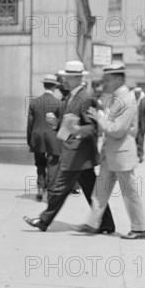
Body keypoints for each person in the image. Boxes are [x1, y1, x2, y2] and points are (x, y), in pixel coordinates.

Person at [24, 60, 115, 233]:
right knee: (90, 191)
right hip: (77, 153)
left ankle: (44, 221)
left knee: (60, 188)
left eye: (68, 77)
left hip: (78, 153)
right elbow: (67, 124)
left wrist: (77, 129)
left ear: (77, 78)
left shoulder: (85, 98)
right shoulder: (71, 97)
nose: (64, 80)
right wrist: (56, 123)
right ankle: (107, 224)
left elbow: (93, 127)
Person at [79, 64, 145, 240]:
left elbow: (117, 129)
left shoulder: (126, 100)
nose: (104, 84)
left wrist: (99, 118)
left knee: (129, 192)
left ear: (119, 79)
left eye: (107, 80)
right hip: (111, 153)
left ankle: (139, 228)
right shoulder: (117, 98)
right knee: (100, 191)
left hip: (122, 153)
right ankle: (94, 223)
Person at [27, 74, 62, 201]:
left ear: (44, 85)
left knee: (40, 164)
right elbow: (60, 123)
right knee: (52, 164)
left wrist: (30, 140)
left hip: (37, 137)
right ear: (55, 87)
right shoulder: (59, 103)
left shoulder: (34, 102)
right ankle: (51, 191)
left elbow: (30, 124)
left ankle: (41, 187)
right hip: (53, 138)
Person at [133, 86, 145, 163]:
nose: (137, 95)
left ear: (140, 94)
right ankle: (134, 156)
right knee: (133, 142)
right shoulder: (131, 102)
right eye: (135, 93)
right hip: (133, 126)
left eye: (138, 93)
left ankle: (141, 156)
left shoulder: (144, 102)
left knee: (141, 141)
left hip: (141, 126)